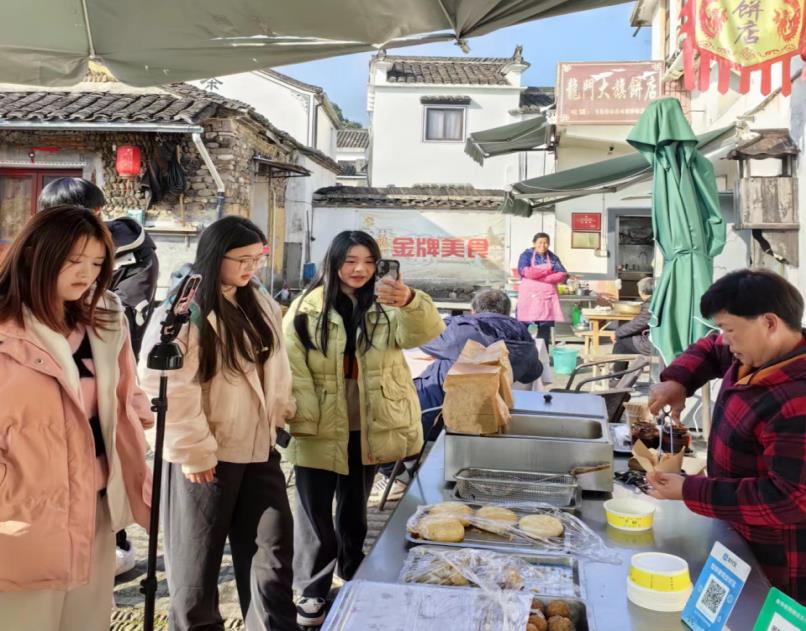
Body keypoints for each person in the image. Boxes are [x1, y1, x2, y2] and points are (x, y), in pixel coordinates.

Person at [138, 216, 297, 630]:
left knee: (272, 552)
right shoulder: (184, 308)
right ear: (214, 256)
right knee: (197, 570)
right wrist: (193, 451)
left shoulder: (257, 300)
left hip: (260, 448)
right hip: (206, 458)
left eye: (256, 259)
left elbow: (277, 369)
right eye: (241, 259)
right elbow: (166, 384)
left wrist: (283, 414)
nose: (250, 268)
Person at [0, 206, 153, 631]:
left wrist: (135, 416)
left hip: (97, 506)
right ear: (35, 253)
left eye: (98, 262)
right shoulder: (6, 323)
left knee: (85, 622)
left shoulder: (105, 317)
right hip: (22, 514)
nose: (87, 272)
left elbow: (125, 388)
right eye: (74, 260)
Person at [283, 230, 444, 626]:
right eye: (351, 261)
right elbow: (292, 370)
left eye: (369, 262)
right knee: (312, 512)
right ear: (333, 262)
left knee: (355, 507)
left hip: (367, 423)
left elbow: (425, 332)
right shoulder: (306, 307)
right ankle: (312, 590)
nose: (360, 270)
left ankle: (354, 572)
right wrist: (302, 423)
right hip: (319, 423)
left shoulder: (388, 303)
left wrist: (410, 300)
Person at [647, 269, 806, 603]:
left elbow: (788, 499)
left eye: (730, 330)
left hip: (779, 560)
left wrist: (691, 490)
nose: (725, 340)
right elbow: (709, 349)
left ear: (769, 323)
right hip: (735, 533)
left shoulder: (796, 402)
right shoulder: (754, 352)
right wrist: (678, 380)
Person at [39, 177, 160, 574]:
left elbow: (123, 323)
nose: (86, 270)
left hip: (104, 364)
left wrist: (136, 409)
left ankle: (117, 538)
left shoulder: (127, 253)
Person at [371, 288, 543, 503]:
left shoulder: (464, 327)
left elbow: (419, 339)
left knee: (382, 409)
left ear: (473, 310)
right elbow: (532, 374)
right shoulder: (524, 334)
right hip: (487, 412)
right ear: (507, 312)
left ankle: (394, 477)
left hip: (438, 411)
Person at [516, 232, 568, 349]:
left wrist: (540, 277)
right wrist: (547, 272)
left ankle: (543, 357)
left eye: (546, 243)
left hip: (546, 298)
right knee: (523, 327)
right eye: (540, 242)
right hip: (529, 298)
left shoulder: (553, 257)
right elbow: (525, 271)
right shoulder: (526, 255)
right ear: (534, 243)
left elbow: (562, 274)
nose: (543, 245)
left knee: (544, 329)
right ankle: (523, 352)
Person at [611, 276, 654, 373]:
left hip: (653, 344)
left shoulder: (652, 303)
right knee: (624, 338)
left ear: (641, 292)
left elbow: (638, 324)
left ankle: (617, 375)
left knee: (621, 339)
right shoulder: (658, 300)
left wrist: (617, 333)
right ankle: (618, 373)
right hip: (655, 340)